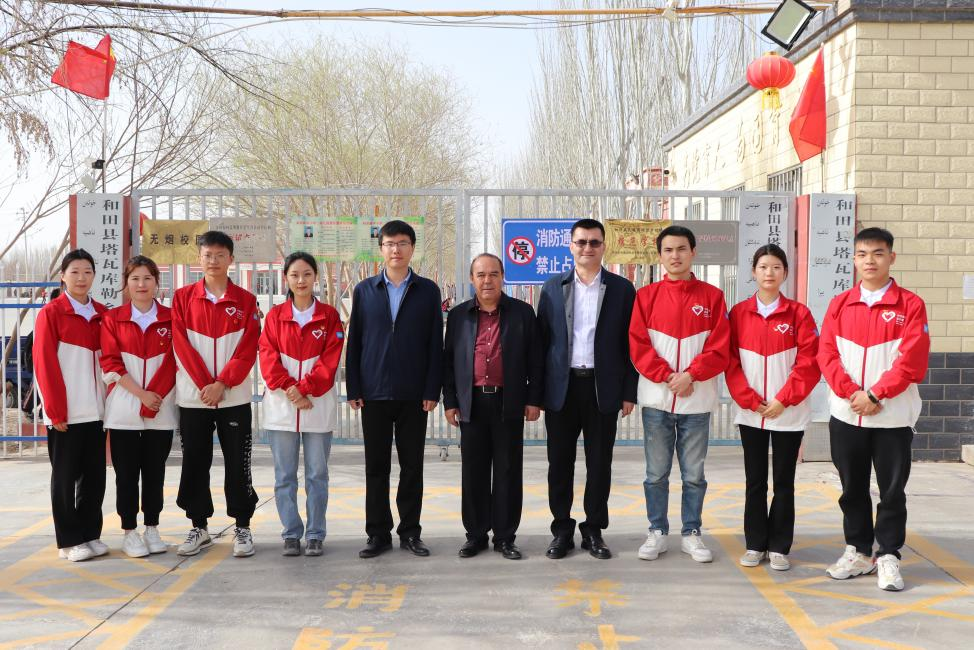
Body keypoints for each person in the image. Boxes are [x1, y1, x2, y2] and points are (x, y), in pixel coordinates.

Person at [817, 227, 929, 592]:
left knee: (892, 491)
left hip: (892, 417)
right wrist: (852, 394)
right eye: (863, 254)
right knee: (851, 488)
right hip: (847, 413)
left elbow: (912, 361)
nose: (870, 261)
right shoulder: (840, 304)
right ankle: (859, 552)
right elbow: (826, 355)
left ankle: (889, 556)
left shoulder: (910, 305)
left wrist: (876, 395)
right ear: (853, 259)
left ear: (891, 258)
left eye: (878, 253)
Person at [537, 218, 638, 560]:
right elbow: (542, 343)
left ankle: (593, 529)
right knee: (559, 464)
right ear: (571, 246)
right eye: (581, 242)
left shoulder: (621, 290)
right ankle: (561, 530)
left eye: (594, 242)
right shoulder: (553, 287)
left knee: (599, 465)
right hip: (562, 390)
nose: (587, 248)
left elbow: (631, 344)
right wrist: (537, 394)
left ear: (603, 246)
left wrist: (629, 391)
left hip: (602, 389)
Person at [629, 225, 730, 563]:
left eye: (682, 249)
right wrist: (667, 376)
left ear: (693, 252)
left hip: (696, 400)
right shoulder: (646, 296)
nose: (675, 256)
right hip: (657, 399)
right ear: (660, 255)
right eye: (669, 250)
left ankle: (691, 532)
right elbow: (638, 345)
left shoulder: (712, 297)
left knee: (694, 475)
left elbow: (720, 347)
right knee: (655, 474)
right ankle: (657, 531)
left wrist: (691, 375)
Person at [345, 220, 443, 558]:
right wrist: (354, 386)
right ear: (381, 249)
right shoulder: (365, 290)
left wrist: (432, 389)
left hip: (414, 395)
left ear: (412, 248)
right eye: (389, 244)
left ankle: (410, 532)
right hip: (373, 393)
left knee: (412, 467)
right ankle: (377, 534)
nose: (396, 250)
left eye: (402, 243)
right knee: (376, 467)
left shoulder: (427, 291)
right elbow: (355, 341)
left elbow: (435, 343)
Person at [443, 253, 543, 560]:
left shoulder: (522, 313)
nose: (487, 280)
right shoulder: (459, 316)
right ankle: (475, 535)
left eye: (493, 274)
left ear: (502, 277)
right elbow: (449, 362)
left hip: (508, 401)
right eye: (481, 275)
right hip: (471, 402)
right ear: (471, 279)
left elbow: (536, 360)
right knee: (473, 471)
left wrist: (533, 399)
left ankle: (505, 537)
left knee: (507, 471)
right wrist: (450, 401)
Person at [725, 244, 820, 571]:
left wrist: (784, 399)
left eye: (776, 267)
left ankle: (779, 547)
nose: (769, 273)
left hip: (788, 413)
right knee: (755, 481)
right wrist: (750, 400)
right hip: (751, 413)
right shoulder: (738, 313)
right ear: (753, 271)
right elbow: (731, 362)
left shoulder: (799, 314)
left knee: (783, 482)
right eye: (763, 267)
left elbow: (809, 362)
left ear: (785, 273)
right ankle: (755, 544)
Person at [171, 231, 260, 558]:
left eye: (220, 255)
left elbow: (248, 348)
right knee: (195, 462)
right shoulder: (182, 298)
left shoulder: (246, 301)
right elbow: (181, 346)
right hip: (194, 398)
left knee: (238, 463)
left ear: (230, 259)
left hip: (233, 398)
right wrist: (205, 385)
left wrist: (222, 384)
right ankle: (199, 526)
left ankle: (243, 526)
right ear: (199, 259)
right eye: (207, 255)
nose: (213, 261)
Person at [259, 252, 344, 557]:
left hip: (316, 406)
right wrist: (290, 389)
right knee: (284, 476)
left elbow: (330, 360)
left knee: (317, 475)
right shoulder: (274, 316)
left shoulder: (329, 316)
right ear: (286, 279)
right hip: (282, 409)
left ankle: (316, 533)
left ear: (315, 277)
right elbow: (267, 358)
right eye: (294, 275)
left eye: (307, 274)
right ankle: (291, 533)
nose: (301, 280)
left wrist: (305, 389)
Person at [100, 255, 177, 558]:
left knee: (155, 472)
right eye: (135, 279)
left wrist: (154, 397)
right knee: (127, 475)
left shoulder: (172, 318)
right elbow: (110, 363)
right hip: (123, 410)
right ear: (126, 284)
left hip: (162, 408)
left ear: (157, 282)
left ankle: (153, 528)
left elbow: (175, 360)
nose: (141, 284)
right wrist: (141, 395)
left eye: (147, 278)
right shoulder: (112, 319)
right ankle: (130, 531)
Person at [33, 249, 109, 562]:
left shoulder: (102, 313)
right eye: (74, 272)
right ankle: (68, 541)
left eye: (87, 272)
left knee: (95, 478)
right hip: (66, 413)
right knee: (64, 479)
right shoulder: (51, 313)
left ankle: (90, 534)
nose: (81, 278)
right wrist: (55, 411)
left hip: (97, 412)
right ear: (63, 276)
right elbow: (43, 364)